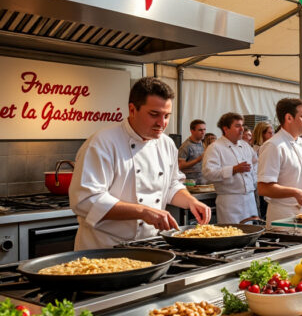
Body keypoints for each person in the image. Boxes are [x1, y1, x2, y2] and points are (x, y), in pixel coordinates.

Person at [69, 78, 211, 250]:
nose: (162, 123)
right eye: (154, 114)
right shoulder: (103, 143)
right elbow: (86, 200)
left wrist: (190, 201)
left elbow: (172, 184)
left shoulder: (166, 144)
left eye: (166, 116)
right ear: (132, 109)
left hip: (150, 246)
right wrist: (143, 212)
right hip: (103, 249)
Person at [257, 98, 302, 225]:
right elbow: (263, 187)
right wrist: (295, 192)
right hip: (284, 218)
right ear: (288, 118)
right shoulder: (274, 145)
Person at [202, 113, 259, 223]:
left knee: (252, 233)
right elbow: (208, 173)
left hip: (250, 199)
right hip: (230, 201)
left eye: (242, 125)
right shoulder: (215, 147)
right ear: (226, 128)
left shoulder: (245, 146)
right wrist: (233, 169)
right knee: (233, 235)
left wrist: (254, 181)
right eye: (237, 126)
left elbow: (256, 164)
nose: (242, 129)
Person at [178, 119, 207, 185]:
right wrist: (198, 160)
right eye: (200, 130)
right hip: (190, 184)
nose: (203, 132)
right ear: (192, 131)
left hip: (202, 182)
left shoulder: (202, 143)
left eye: (204, 129)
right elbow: (180, 166)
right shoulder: (186, 146)